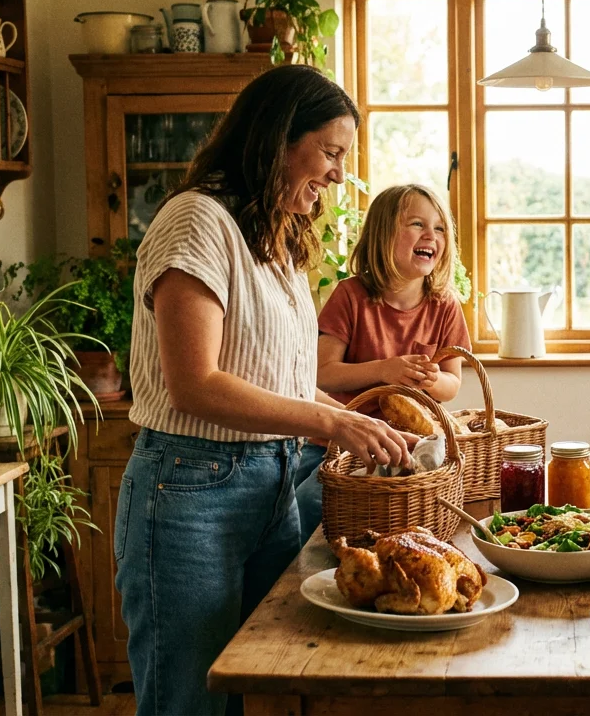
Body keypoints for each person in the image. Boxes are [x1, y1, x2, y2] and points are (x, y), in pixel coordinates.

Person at [116, 65, 415, 716]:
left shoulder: (278, 240)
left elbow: (280, 378)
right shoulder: (197, 222)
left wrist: (357, 421)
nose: (338, 174)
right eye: (330, 153)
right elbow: (195, 386)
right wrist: (333, 424)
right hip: (190, 492)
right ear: (278, 137)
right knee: (188, 703)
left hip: (270, 487)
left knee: (275, 686)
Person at [294, 183, 472, 537]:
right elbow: (323, 374)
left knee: (420, 509)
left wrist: (432, 381)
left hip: (410, 442)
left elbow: (452, 384)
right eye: (417, 224)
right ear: (382, 235)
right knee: (310, 504)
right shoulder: (351, 295)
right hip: (343, 442)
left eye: (439, 228)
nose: (431, 235)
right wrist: (385, 370)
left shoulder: (445, 304)